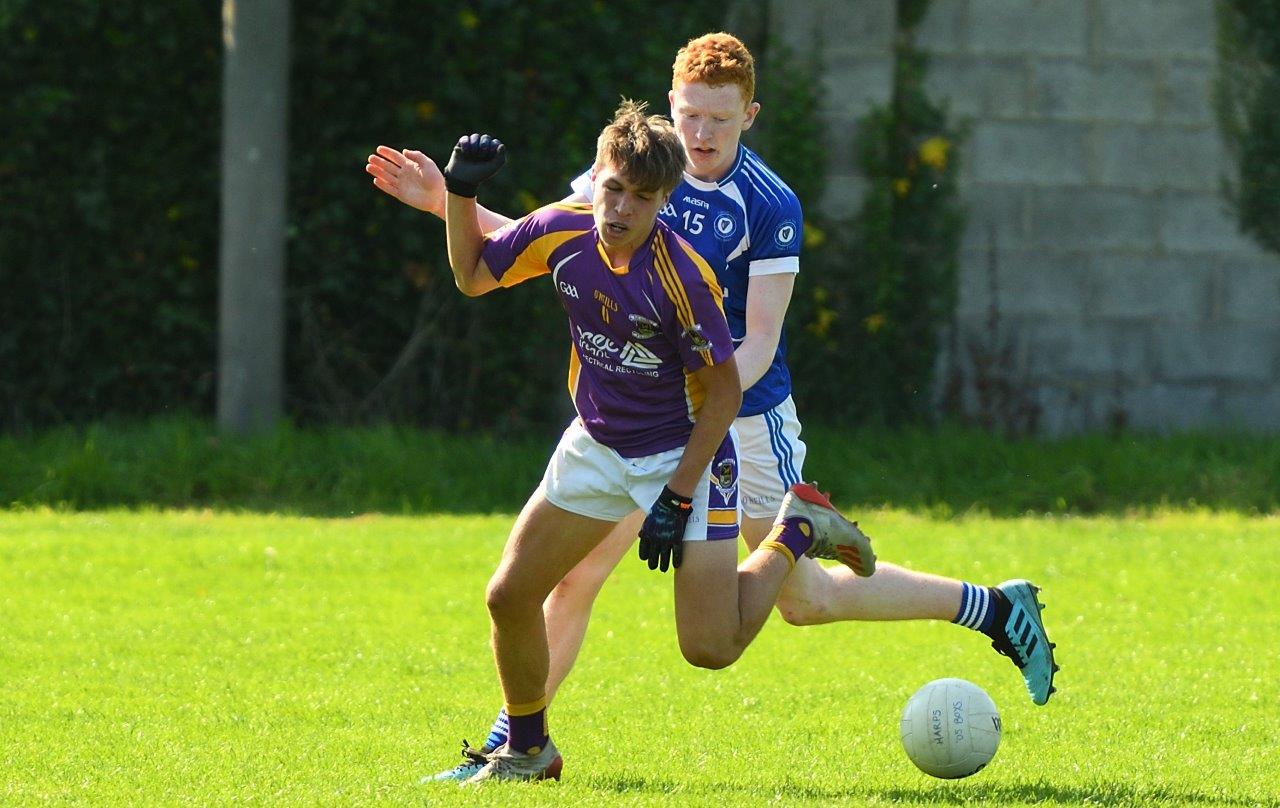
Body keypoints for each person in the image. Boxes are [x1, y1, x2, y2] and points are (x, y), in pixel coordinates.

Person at [366, 32, 1056, 782]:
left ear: (749, 116)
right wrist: (449, 200)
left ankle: (985, 605)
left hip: (744, 422)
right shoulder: (634, 165)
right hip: (635, 420)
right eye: (691, 115)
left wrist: (692, 432)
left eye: (718, 122)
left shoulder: (767, 204)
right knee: (572, 577)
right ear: (671, 105)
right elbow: (548, 243)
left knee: (802, 600)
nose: (700, 134)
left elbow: (755, 344)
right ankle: (517, 740)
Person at [434, 101, 875, 783]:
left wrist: (673, 497)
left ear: (663, 202)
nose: (620, 210)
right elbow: (472, 276)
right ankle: (529, 750)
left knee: (711, 648)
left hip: (684, 455)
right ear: (597, 178)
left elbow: (723, 396)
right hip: (599, 443)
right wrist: (461, 193)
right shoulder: (559, 231)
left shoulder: (682, 280)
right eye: (613, 189)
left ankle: (795, 530)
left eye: (641, 199)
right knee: (508, 595)